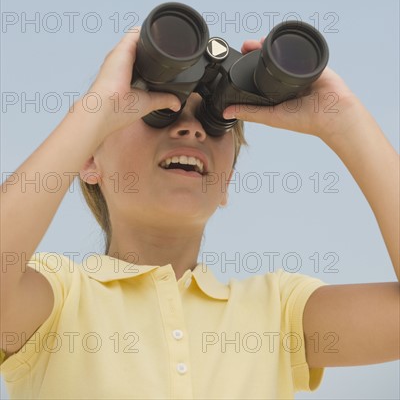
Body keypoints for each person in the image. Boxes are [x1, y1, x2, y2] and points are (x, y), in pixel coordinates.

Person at [1, 27, 399, 400]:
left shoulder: (277, 313)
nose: (191, 130)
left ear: (226, 182)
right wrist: (97, 107)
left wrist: (344, 119)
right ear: (88, 160)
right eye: (159, 112)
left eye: (215, 122)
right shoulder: (59, 301)